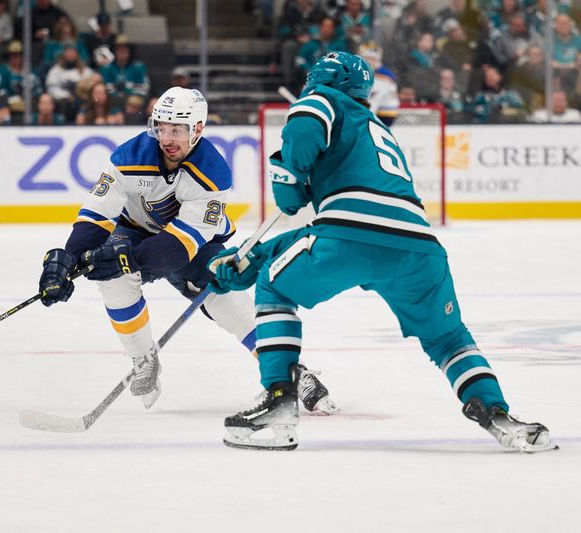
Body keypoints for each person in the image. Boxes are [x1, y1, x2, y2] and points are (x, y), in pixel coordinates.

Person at [209, 51, 556, 453]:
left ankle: (279, 400)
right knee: (449, 340)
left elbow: (306, 129)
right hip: (419, 249)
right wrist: (249, 259)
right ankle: (497, 413)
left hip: (350, 238)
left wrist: (291, 173)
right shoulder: (376, 129)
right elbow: (316, 234)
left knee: (275, 289)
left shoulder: (322, 100)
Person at [37, 87, 336, 413]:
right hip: (134, 233)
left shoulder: (212, 171)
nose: (167, 137)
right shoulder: (128, 157)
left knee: (226, 299)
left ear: (198, 129)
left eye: (177, 129)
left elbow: (178, 247)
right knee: (112, 279)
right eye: (161, 127)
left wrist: (127, 260)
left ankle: (292, 372)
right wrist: (67, 260)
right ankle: (143, 358)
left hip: (196, 244)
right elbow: (96, 215)